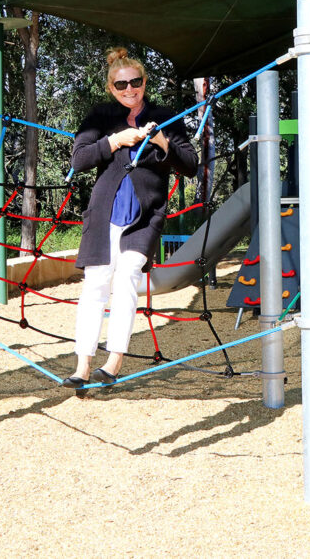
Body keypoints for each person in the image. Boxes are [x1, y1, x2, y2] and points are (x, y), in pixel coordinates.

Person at [63, 47, 199, 391]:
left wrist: (162, 141)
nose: (129, 89)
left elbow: (190, 163)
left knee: (126, 279)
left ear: (144, 82)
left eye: (135, 82)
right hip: (105, 212)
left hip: (145, 214)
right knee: (96, 285)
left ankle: (114, 361)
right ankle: (82, 366)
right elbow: (79, 160)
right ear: (111, 87)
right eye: (121, 85)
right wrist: (114, 141)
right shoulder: (100, 116)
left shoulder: (164, 115)